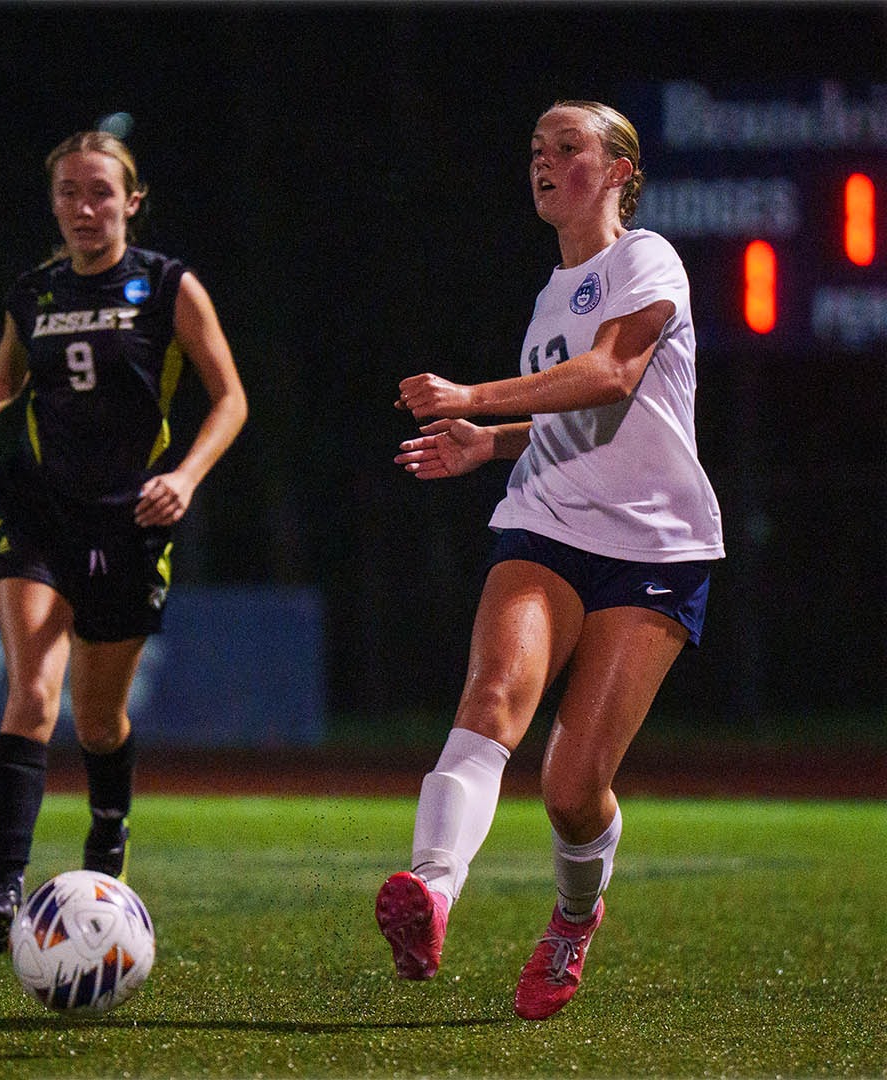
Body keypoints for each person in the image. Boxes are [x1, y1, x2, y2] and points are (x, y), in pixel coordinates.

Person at [378, 100, 723, 1021]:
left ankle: (574, 917)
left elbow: (613, 377)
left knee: (572, 791)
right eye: (535, 148)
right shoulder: (548, 296)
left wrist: (477, 400)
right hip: (547, 522)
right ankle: (432, 893)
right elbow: (579, 411)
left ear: (618, 172)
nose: (544, 161)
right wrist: (489, 449)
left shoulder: (647, 259)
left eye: (567, 147)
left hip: (656, 545)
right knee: (493, 701)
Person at [0, 130, 247, 951]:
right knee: (30, 694)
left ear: (131, 202)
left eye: (100, 191)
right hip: (38, 509)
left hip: (127, 519)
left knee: (97, 720)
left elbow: (231, 399)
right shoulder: (33, 292)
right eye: (68, 192)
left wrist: (186, 477)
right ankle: (4, 888)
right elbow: (5, 380)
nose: (83, 207)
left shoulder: (168, 285)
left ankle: (108, 833)